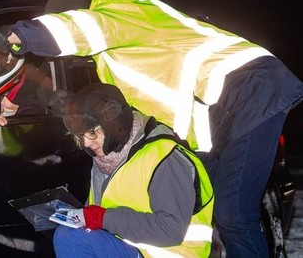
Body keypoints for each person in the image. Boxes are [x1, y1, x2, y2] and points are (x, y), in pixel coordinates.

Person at [0, 0, 303, 257]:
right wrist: (19, 104)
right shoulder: (113, 64)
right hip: (214, 122)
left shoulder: (123, 10)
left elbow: (84, 28)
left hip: (249, 88)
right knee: (205, 212)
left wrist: (13, 36)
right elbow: (96, 110)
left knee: (233, 215)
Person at [49, 82, 214, 258]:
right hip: (130, 246)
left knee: (69, 238)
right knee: (67, 231)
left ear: (113, 124)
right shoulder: (104, 160)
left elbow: (170, 230)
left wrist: (102, 218)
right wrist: (77, 216)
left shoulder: (163, 157)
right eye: (80, 137)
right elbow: (104, 215)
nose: (86, 143)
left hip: (170, 253)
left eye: (91, 133)